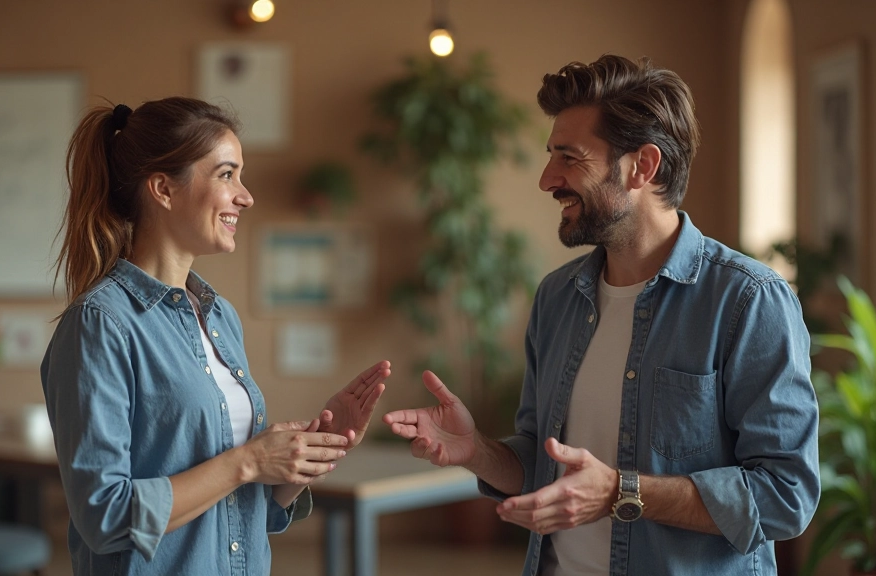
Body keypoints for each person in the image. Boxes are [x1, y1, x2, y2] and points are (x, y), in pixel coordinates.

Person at [383, 55, 820, 576]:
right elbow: (543, 468)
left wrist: (619, 491)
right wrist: (477, 451)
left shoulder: (747, 300)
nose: (548, 179)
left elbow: (785, 496)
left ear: (643, 166)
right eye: (551, 157)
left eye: (569, 158)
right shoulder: (556, 297)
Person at [41, 97, 391, 576]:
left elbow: (243, 509)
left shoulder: (220, 315)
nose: (245, 196)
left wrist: (312, 450)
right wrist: (247, 462)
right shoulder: (100, 325)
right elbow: (105, 515)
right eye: (227, 175)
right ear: (163, 189)